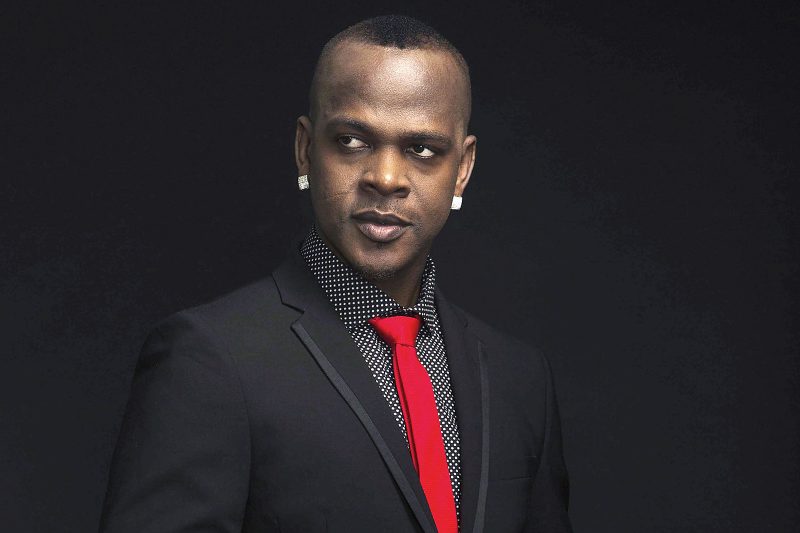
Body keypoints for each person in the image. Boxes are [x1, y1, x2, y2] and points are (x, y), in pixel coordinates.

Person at [100, 15, 572, 533]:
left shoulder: (519, 377)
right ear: (306, 149)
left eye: (422, 150)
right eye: (351, 140)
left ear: (462, 168)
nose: (385, 178)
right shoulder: (208, 361)